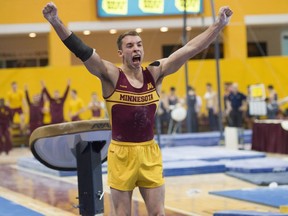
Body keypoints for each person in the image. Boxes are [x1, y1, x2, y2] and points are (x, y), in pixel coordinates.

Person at [42, 2, 232, 214]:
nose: (136, 48)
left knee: (158, 213)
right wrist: (56, 21)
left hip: (149, 152)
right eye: (130, 45)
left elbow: (190, 49)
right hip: (122, 155)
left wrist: (218, 25)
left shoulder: (155, 73)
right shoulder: (111, 75)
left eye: (139, 44)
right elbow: (83, 51)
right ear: (121, 52)